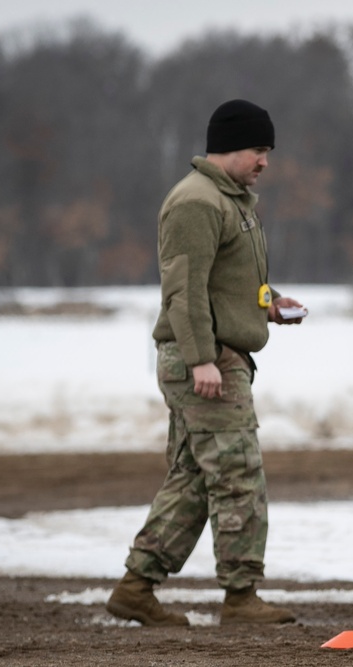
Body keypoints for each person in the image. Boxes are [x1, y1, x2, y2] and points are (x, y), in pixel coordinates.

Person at [106, 99, 305, 627]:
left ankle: (136, 587)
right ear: (228, 146)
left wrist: (270, 303)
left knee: (193, 479)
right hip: (206, 357)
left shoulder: (232, 200)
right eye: (257, 149)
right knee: (237, 474)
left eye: (268, 151)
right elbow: (185, 290)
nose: (265, 160)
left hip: (219, 352)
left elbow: (226, 281)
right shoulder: (196, 201)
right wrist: (201, 360)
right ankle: (241, 597)